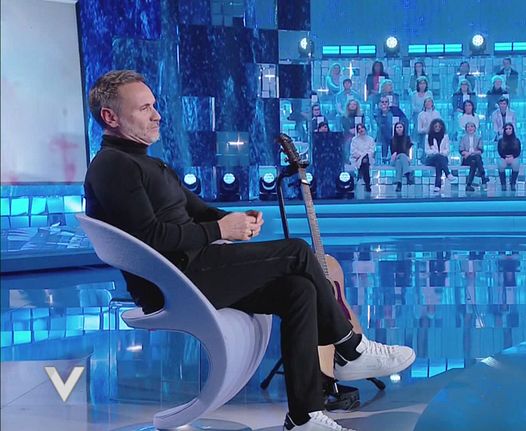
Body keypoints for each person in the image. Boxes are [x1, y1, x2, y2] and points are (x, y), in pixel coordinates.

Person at [84, 70, 414, 431]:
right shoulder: (112, 166)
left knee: (298, 290)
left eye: (154, 105)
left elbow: (197, 210)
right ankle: (350, 348)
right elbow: (150, 238)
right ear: (110, 117)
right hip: (175, 282)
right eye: (144, 108)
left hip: (194, 270)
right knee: (297, 251)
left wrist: (233, 220)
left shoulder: (147, 162)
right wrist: (220, 230)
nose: (157, 115)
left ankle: (304, 415)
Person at [424, 118, 452, 192]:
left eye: (439, 126)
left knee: (438, 163)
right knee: (438, 158)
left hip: (442, 157)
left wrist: (442, 153)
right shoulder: (428, 136)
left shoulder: (445, 136)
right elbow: (427, 150)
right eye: (436, 126)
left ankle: (437, 186)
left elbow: (447, 150)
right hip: (431, 158)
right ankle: (448, 173)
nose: (437, 128)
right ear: (432, 127)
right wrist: (435, 153)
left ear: (442, 127)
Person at [459, 122, 489, 191]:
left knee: (474, 162)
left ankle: (469, 185)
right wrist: (470, 153)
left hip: (474, 158)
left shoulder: (479, 138)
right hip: (466, 159)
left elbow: (480, 151)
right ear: (466, 129)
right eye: (468, 127)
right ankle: (483, 176)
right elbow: (461, 151)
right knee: (477, 158)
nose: (470, 128)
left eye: (472, 126)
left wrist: (469, 153)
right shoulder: (463, 138)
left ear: (475, 128)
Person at [496, 122, 522, 191]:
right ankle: (503, 184)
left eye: (510, 128)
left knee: (516, 164)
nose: (508, 130)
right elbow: (499, 151)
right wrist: (505, 157)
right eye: (506, 129)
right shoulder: (500, 141)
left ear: (512, 130)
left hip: (514, 157)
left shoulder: (517, 140)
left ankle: (513, 183)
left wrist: (512, 157)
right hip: (504, 157)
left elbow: (518, 151)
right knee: (501, 165)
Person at [350, 123, 375, 193]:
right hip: (357, 159)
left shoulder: (370, 139)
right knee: (364, 162)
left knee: (365, 161)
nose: (361, 130)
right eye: (359, 129)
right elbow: (353, 151)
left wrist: (364, 156)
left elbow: (372, 150)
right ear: (357, 131)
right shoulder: (354, 140)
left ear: (365, 129)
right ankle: (367, 184)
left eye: (362, 128)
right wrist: (362, 156)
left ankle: (360, 175)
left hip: (368, 158)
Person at [390, 122, 415, 192]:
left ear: (403, 128)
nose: (399, 129)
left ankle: (399, 184)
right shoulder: (392, 139)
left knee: (399, 162)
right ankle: (407, 174)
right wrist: (400, 153)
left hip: (404, 160)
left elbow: (407, 150)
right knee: (401, 156)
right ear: (395, 129)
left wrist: (402, 154)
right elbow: (393, 152)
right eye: (397, 127)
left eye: (400, 127)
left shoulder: (407, 138)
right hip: (394, 159)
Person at [417, 97, 441, 161]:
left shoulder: (437, 113)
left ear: (432, 103)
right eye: (426, 102)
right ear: (424, 104)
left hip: (436, 135)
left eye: (429, 102)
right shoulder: (421, 114)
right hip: (425, 135)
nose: (428, 103)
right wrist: (426, 130)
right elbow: (419, 129)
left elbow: (440, 126)